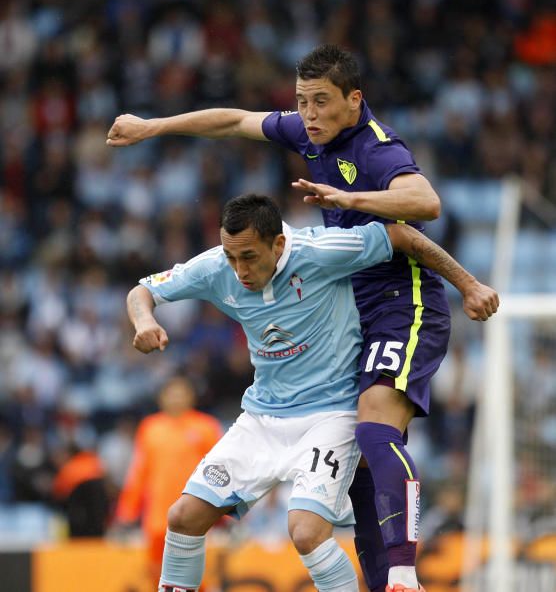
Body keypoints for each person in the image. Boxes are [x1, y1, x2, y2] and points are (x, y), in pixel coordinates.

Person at [107, 44, 498, 592]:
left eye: (320, 102)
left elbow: (424, 205)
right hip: (352, 296)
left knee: (373, 427)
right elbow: (235, 120)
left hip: (400, 297)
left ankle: (406, 575)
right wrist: (154, 126)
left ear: (354, 100)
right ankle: (380, 577)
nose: (308, 114)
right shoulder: (305, 131)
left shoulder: (376, 150)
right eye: (300, 102)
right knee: (360, 465)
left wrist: (354, 199)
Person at [126, 193, 498, 592]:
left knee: (304, 531)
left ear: (279, 244)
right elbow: (141, 291)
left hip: (331, 416)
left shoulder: (320, 250)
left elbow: (403, 237)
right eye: (232, 257)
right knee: (183, 517)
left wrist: (469, 286)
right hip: (261, 418)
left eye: (249, 257)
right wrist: (144, 320)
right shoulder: (216, 266)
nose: (239, 270)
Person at [114, 375, 222, 584]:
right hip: (157, 519)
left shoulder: (206, 427)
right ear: (161, 398)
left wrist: (225, 515)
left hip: (196, 517)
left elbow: (220, 473)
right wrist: (126, 513)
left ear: (191, 397)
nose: (176, 398)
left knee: (197, 578)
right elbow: (139, 474)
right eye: (171, 394)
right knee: (158, 577)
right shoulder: (150, 428)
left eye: (181, 393)